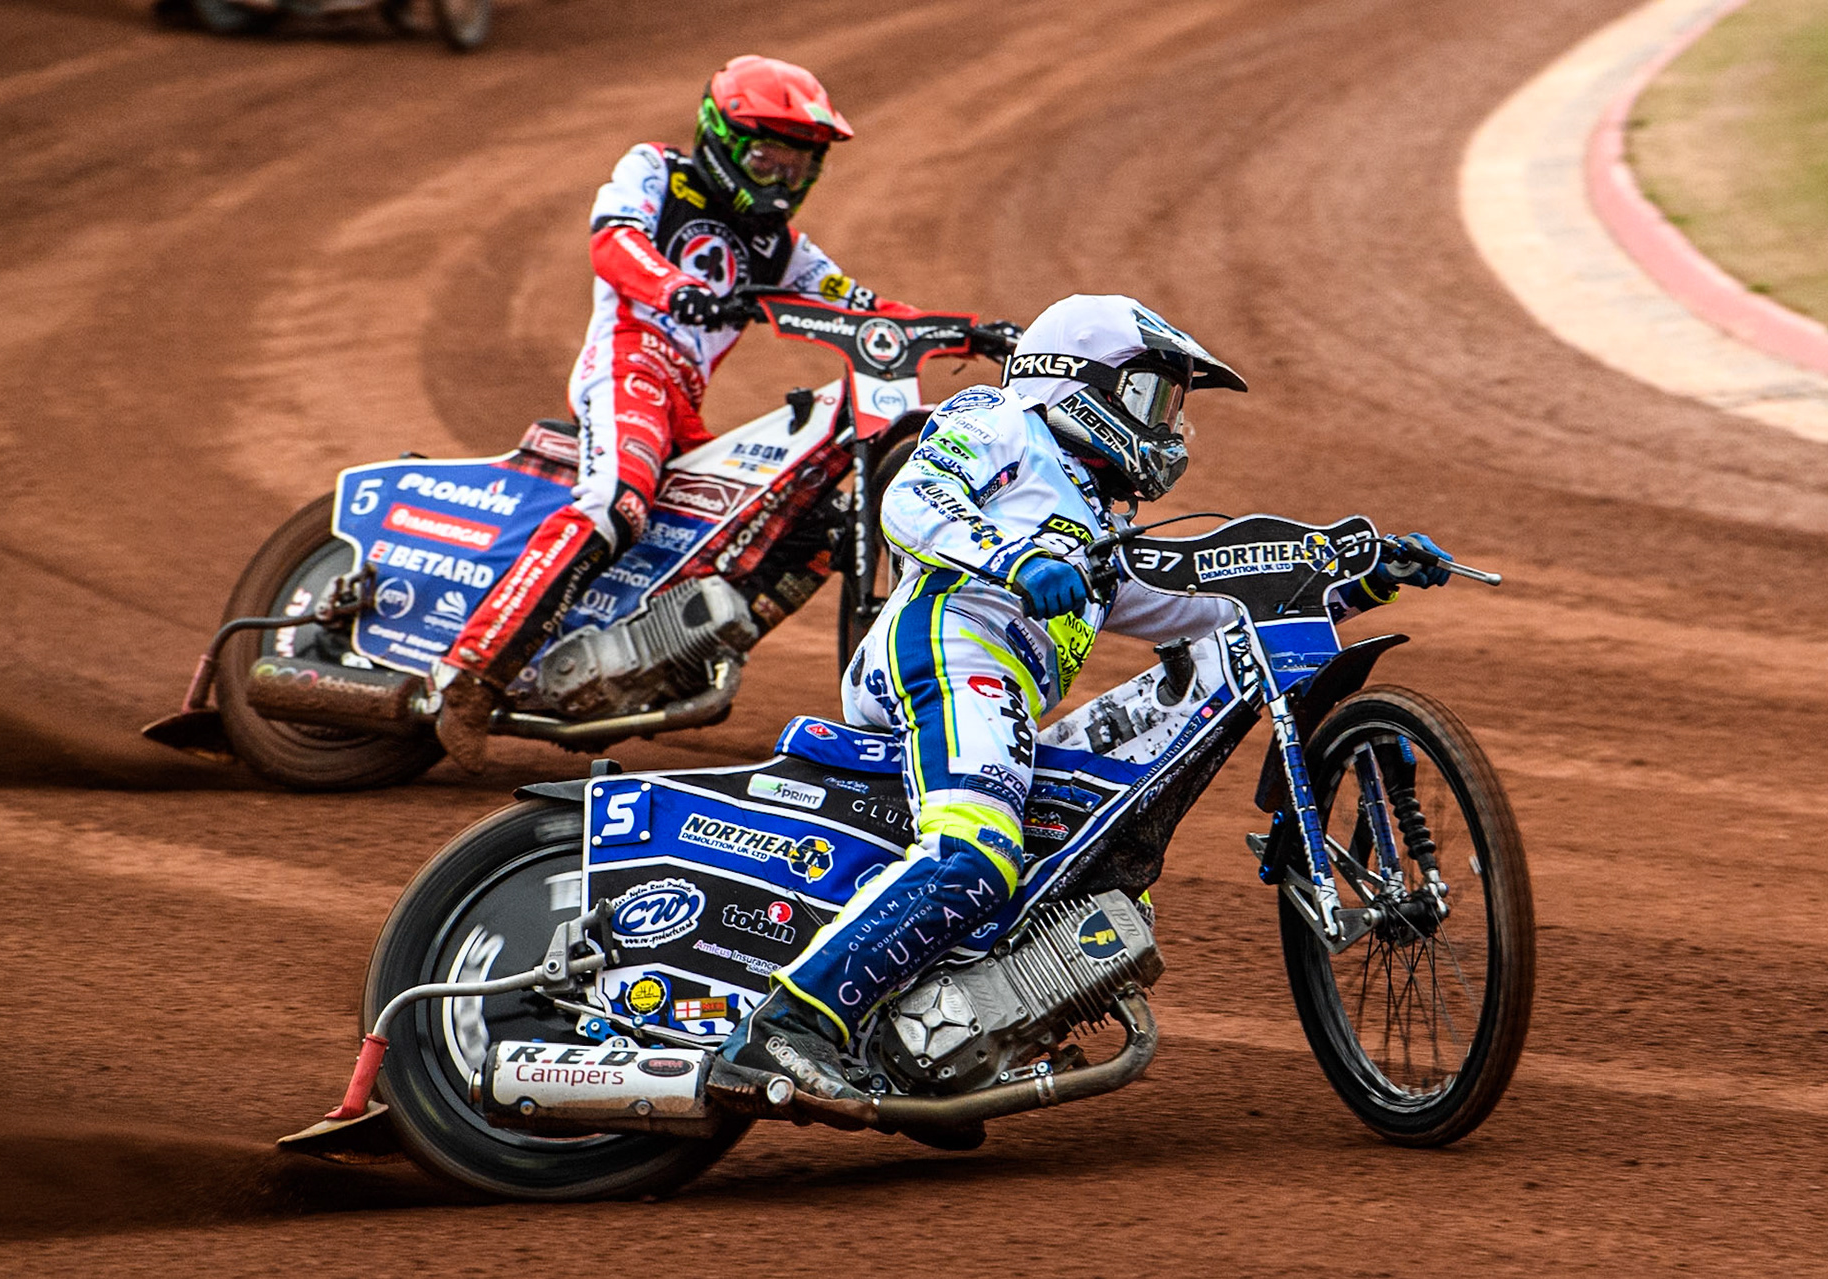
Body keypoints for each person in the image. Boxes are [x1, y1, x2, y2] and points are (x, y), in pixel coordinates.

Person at [717, 293, 1454, 1102]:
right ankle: (788, 1025)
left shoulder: (1097, 518)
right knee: (978, 855)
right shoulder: (1001, 419)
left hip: (995, 685)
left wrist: (1353, 586)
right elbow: (911, 500)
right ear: (1078, 381)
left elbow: (1197, 610)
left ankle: (926, 1043)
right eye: (1154, 397)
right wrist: (1016, 558)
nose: (1168, 424)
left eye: (1174, 407)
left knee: (1045, 867)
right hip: (945, 640)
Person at [434, 54, 913, 770]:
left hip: (682, 400)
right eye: (766, 159)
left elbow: (858, 303)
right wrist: (671, 286)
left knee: (804, 526)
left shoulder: (778, 248)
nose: (782, 182)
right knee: (617, 501)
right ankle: (472, 673)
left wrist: (966, 329)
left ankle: (663, 658)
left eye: (798, 166)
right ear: (720, 138)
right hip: (628, 362)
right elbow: (613, 241)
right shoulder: (656, 170)